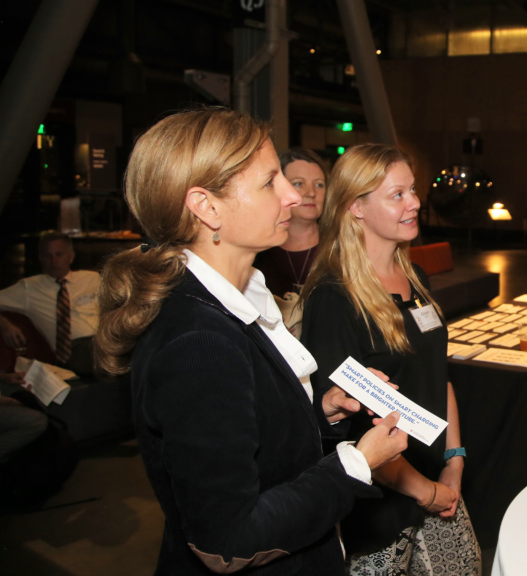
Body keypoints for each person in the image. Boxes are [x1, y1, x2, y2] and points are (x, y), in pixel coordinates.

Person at [93, 108, 408, 575]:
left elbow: (250, 447)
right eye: (270, 182)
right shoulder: (199, 341)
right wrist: (356, 464)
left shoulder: (235, 301)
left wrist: (321, 413)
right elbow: (227, 540)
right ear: (206, 206)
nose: (292, 197)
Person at [300, 143, 481, 576]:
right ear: (356, 208)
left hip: (437, 481)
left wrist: (454, 461)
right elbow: (352, 427)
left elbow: (439, 377)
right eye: (397, 194)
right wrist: (425, 492)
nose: (415, 202)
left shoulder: (414, 276)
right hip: (379, 504)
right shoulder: (334, 298)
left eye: (413, 191)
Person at [0, 233, 100, 375]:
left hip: (104, 340)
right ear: (41, 258)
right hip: (73, 349)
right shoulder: (29, 288)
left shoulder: (92, 278)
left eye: (59, 254)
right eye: (48, 255)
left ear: (71, 256)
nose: (53, 260)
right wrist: (4, 324)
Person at [254, 147, 329, 297]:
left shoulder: (341, 246)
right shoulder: (257, 250)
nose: (311, 193)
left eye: (319, 184)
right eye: (298, 183)